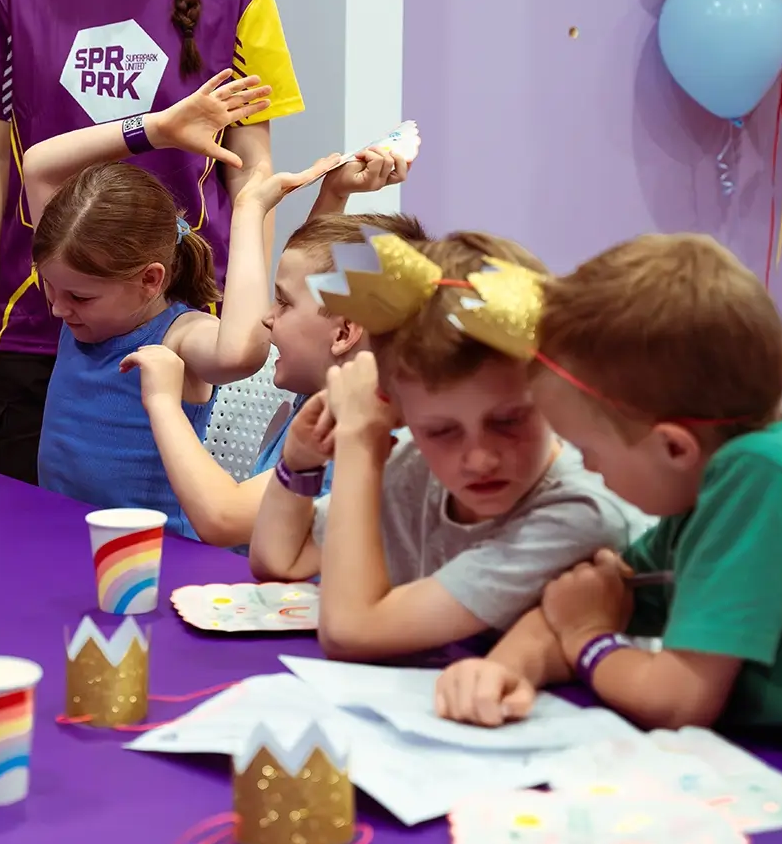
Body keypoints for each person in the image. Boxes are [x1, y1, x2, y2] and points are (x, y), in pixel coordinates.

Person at [0, 0, 400, 486]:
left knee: (155, 520)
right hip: (44, 313)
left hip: (177, 317)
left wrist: (248, 302)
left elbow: (254, 175)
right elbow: (0, 154)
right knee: (12, 527)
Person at [435, 234, 782, 733]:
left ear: (674, 448)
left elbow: (678, 699)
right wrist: (502, 669)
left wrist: (590, 640)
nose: (589, 468)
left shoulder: (757, 477)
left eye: (590, 449)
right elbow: (589, 595)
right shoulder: (700, 497)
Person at [248, 232, 644, 660]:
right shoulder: (414, 468)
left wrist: (360, 439)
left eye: (508, 420)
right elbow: (281, 561)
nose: (479, 459)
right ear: (396, 410)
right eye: (441, 431)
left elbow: (350, 632)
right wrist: (300, 463)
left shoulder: (579, 513)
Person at [23, 70, 326, 536]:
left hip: (157, 558)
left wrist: (248, 214)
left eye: (79, 297)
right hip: (65, 538)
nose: (59, 310)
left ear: (149, 280)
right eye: (51, 289)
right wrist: (157, 129)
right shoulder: (81, 304)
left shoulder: (181, 337)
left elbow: (241, 353)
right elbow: (38, 164)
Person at [121, 209, 428, 547]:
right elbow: (321, 277)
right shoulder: (318, 391)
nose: (268, 317)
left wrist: (163, 402)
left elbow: (223, 518)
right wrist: (332, 198)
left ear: (343, 332)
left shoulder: (362, 433)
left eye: (283, 302)